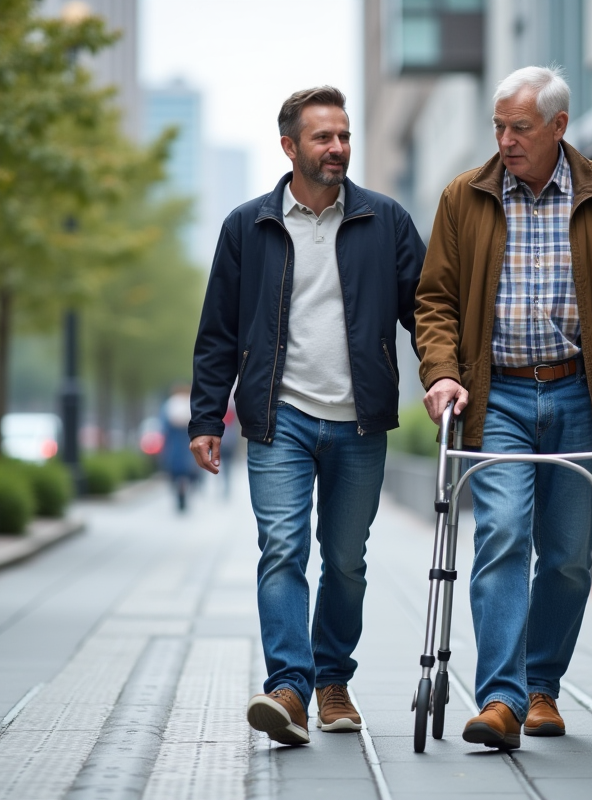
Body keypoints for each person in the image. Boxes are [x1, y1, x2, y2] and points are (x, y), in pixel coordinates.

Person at [415, 66, 592, 750]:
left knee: (565, 558)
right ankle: (499, 698)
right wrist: (441, 373)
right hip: (496, 395)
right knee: (501, 533)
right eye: (498, 126)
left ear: (558, 126)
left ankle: (542, 688)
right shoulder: (463, 197)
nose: (505, 140)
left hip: (579, 394)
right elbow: (433, 299)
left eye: (519, 127)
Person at [188, 86, 425, 746]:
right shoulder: (248, 226)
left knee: (346, 560)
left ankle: (332, 682)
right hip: (278, 416)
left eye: (345, 136)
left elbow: (426, 315)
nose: (339, 148)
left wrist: (443, 381)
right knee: (283, 550)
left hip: (359, 420)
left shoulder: (386, 221)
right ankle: (289, 687)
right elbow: (218, 330)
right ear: (290, 146)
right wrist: (207, 417)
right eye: (324, 137)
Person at [160, 384, 201, 512]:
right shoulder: (192, 404)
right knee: (189, 469)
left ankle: (180, 491)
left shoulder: (168, 405)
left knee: (175, 469)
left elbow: (163, 426)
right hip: (187, 441)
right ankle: (184, 490)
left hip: (174, 444)